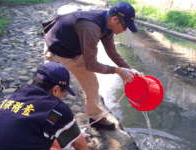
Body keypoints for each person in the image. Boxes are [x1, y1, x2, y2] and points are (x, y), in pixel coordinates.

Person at [43, 2, 142, 130]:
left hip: (76, 53)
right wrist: (118, 71)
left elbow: (112, 51)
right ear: (115, 19)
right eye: (124, 27)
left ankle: (95, 118)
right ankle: (42, 125)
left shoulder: (108, 27)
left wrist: (129, 69)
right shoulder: (91, 27)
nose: (124, 31)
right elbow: (91, 65)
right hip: (57, 52)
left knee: (92, 84)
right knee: (53, 91)